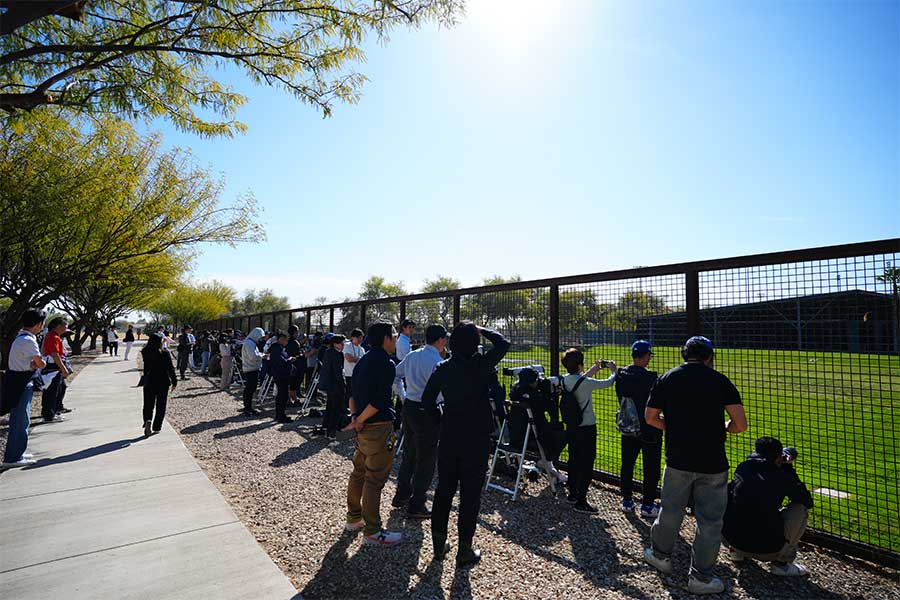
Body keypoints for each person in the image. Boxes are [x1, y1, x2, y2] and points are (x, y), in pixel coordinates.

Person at [643, 336, 748, 595]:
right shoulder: (720, 381)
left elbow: (650, 417)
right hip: (712, 461)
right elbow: (740, 424)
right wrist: (724, 428)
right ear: (709, 356)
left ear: (684, 354)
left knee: (670, 510)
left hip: (678, 458)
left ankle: (660, 555)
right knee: (710, 521)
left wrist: (672, 427)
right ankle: (701, 576)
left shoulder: (668, 378)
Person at [422, 322, 510, 567]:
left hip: (450, 434)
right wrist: (482, 329)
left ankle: (439, 545)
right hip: (477, 437)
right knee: (470, 495)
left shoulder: (442, 368)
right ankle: (465, 548)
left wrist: (440, 420)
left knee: (444, 491)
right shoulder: (482, 365)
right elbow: (503, 343)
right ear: (475, 343)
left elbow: (427, 401)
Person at [342, 322, 402, 546]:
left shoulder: (362, 361)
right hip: (378, 426)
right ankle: (373, 530)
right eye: (394, 336)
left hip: (362, 426)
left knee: (358, 472)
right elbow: (379, 401)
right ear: (386, 338)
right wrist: (360, 420)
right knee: (374, 479)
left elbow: (351, 395)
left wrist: (356, 418)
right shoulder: (386, 363)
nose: (396, 340)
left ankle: (353, 518)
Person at [723, 437, 813, 577]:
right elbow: (807, 501)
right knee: (800, 509)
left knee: (733, 494)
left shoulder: (744, 467)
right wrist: (788, 469)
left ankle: (736, 553)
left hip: (731, 539)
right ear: (778, 457)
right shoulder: (782, 475)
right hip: (767, 550)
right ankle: (781, 563)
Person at [391, 324, 449, 518]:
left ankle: (402, 494)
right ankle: (417, 503)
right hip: (428, 411)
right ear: (439, 340)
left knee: (410, 451)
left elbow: (395, 375)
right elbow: (442, 392)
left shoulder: (412, 355)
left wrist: (403, 395)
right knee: (427, 458)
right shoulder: (438, 362)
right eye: (444, 339)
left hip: (410, 406)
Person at [559, 348, 617, 514]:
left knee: (574, 459)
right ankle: (582, 501)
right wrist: (614, 371)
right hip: (586, 428)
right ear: (580, 365)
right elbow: (608, 382)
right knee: (587, 464)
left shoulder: (564, 380)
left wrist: (594, 369)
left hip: (572, 427)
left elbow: (579, 381)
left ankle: (572, 494)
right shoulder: (587, 383)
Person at [616, 340, 662, 517]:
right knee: (651, 467)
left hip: (629, 425)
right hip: (649, 427)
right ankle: (647, 504)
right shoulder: (651, 378)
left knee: (627, 463)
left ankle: (627, 500)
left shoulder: (622, 375)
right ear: (645, 356)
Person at [1, 310, 46, 469]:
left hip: (17, 381)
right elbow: (40, 363)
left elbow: (31, 362)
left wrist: (34, 364)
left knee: (19, 419)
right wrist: (39, 364)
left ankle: (17, 452)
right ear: (39, 324)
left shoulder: (21, 337)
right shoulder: (28, 340)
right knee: (21, 420)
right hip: (22, 383)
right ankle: (13, 457)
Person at [507, 367, 567, 486]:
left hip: (514, 437)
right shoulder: (534, 396)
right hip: (530, 438)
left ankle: (547, 465)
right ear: (532, 382)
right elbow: (549, 407)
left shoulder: (515, 393)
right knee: (562, 434)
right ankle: (546, 461)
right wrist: (547, 392)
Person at [140, 333, 178, 437]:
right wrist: (174, 381)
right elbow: (170, 368)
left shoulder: (145, 352)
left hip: (149, 381)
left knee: (148, 404)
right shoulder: (164, 353)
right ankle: (156, 427)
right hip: (163, 381)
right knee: (161, 405)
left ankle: (147, 420)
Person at [41, 317, 73, 423]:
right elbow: (55, 354)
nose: (66, 328)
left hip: (54, 367)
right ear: (59, 326)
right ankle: (49, 415)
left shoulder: (54, 336)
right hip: (53, 368)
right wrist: (63, 369)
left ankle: (55, 410)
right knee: (52, 391)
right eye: (65, 326)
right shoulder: (53, 336)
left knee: (60, 388)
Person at [319, 334, 346, 438]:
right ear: (335, 344)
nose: (343, 345)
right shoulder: (337, 354)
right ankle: (332, 432)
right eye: (341, 343)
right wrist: (343, 384)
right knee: (335, 409)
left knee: (330, 406)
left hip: (328, 384)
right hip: (335, 384)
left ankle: (326, 427)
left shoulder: (328, 352)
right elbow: (338, 371)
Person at [268, 332, 294, 423]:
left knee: (282, 395)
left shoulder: (278, 348)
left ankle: (280, 415)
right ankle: (280, 416)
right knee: (282, 396)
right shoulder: (277, 349)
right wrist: (289, 360)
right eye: (286, 340)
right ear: (281, 339)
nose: (287, 342)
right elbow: (280, 362)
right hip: (280, 375)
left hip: (281, 374)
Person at [241, 327, 266, 416]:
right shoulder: (250, 343)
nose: (261, 340)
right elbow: (253, 357)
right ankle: (247, 408)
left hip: (251, 368)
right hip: (251, 369)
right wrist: (262, 356)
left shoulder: (250, 343)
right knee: (250, 389)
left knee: (249, 389)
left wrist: (260, 354)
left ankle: (248, 407)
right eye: (260, 337)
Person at [342, 328, 365, 405]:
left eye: (361, 337)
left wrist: (357, 360)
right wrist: (359, 360)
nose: (360, 339)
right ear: (352, 337)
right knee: (348, 394)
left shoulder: (361, 349)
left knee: (355, 394)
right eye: (358, 337)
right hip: (348, 374)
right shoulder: (347, 345)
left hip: (358, 375)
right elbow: (348, 358)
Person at [285, 326, 305, 404]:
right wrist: (302, 354)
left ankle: (293, 398)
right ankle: (290, 399)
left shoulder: (287, 341)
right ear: (294, 332)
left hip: (288, 364)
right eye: (297, 331)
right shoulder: (295, 342)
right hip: (295, 364)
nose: (298, 333)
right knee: (293, 382)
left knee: (291, 383)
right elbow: (297, 354)